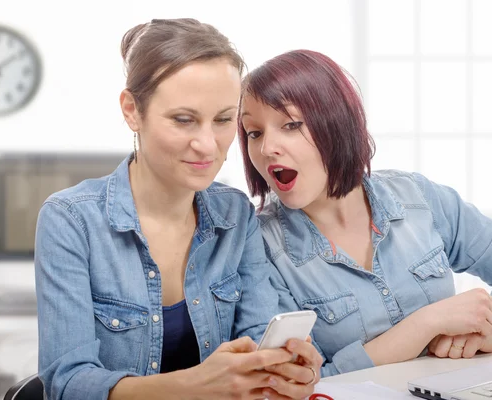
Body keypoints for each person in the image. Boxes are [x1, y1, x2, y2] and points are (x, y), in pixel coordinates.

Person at [35, 20, 322, 400]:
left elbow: (258, 336)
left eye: (222, 120)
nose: (208, 145)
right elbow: (66, 383)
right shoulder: (70, 220)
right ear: (132, 111)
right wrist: (196, 385)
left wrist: (285, 369)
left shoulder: (235, 214)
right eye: (183, 120)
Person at [237, 49, 492, 377]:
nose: (265, 148)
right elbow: (298, 383)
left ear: (336, 122)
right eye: (254, 132)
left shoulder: (416, 197)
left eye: (290, 125)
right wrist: (426, 323)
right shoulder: (259, 248)